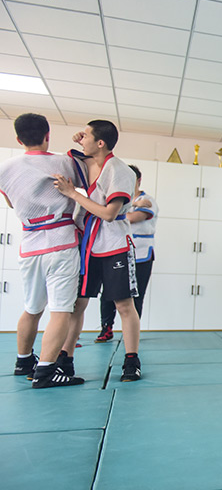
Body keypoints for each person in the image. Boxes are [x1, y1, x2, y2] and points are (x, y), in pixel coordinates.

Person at [53, 120, 142, 382]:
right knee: (77, 304)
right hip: (88, 245)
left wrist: (73, 194)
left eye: (87, 135)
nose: (82, 139)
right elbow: (74, 155)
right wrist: (79, 139)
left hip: (114, 245)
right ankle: (65, 359)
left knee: (124, 305)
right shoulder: (88, 162)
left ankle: (131, 361)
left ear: (100, 142)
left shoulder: (119, 170)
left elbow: (109, 213)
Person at [0, 113, 84, 388]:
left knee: (32, 307)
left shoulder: (6, 168)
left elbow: (11, 203)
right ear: (48, 135)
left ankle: (24, 360)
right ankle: (46, 371)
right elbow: (92, 179)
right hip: (60, 242)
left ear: (18, 139)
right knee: (61, 309)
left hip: (31, 245)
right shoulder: (64, 162)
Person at [95, 165, 157, 343]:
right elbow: (107, 213)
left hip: (141, 253)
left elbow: (131, 218)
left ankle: (131, 331)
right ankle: (106, 328)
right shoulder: (120, 199)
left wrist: (122, 209)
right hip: (116, 250)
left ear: (137, 181)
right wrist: (133, 204)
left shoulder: (148, 200)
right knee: (108, 292)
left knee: (136, 295)